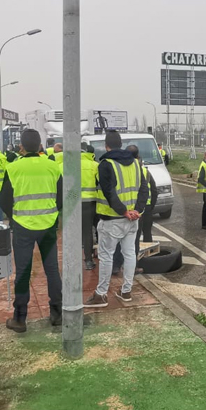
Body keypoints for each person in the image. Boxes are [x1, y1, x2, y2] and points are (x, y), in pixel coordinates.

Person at [0, 129, 63, 333]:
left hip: (23, 227)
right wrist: (52, 214)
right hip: (48, 224)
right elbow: (60, 197)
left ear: (22, 147)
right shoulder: (53, 166)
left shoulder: (13, 167)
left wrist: (15, 217)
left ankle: (20, 318)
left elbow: (4, 201)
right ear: (41, 146)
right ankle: (57, 313)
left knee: (23, 272)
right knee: (52, 269)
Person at [84, 130, 147, 308]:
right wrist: (137, 210)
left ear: (106, 146)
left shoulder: (105, 164)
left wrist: (122, 211)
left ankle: (101, 295)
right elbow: (144, 189)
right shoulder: (136, 163)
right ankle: (126, 291)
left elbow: (108, 191)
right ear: (121, 144)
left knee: (106, 256)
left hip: (112, 219)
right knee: (129, 254)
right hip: (132, 220)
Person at [111, 144, 156, 271]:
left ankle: (116, 265)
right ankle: (132, 267)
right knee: (134, 241)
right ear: (137, 156)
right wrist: (141, 209)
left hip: (120, 211)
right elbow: (148, 190)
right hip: (136, 212)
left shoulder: (116, 167)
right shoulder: (142, 170)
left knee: (118, 239)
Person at [80, 144, 99, 270]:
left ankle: (88, 259)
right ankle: (101, 254)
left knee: (85, 232)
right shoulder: (95, 165)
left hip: (78, 203)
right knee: (99, 229)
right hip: (95, 202)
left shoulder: (67, 165)